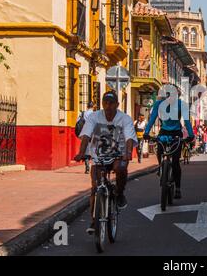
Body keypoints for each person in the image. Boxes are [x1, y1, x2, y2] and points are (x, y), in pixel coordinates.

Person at [74, 91, 137, 234]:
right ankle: (93, 220)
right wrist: (81, 153)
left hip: (118, 154)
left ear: (117, 104)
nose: (108, 106)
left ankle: (120, 194)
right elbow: (86, 136)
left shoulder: (124, 118)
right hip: (99, 155)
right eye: (105, 102)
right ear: (102, 103)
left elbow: (128, 138)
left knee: (120, 169)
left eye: (111, 103)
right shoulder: (94, 117)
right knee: (95, 187)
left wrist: (127, 154)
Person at [143, 91, 194, 199]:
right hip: (164, 131)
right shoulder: (158, 104)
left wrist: (191, 135)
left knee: (176, 162)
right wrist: (146, 132)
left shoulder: (182, 105)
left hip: (176, 132)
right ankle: (160, 166)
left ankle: (178, 188)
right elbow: (152, 119)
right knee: (160, 151)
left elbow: (187, 121)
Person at [77, 102, 95, 174]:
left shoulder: (83, 113)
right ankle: (93, 164)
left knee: (85, 149)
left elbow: (78, 122)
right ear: (93, 106)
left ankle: (87, 165)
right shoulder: (94, 114)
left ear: (87, 106)